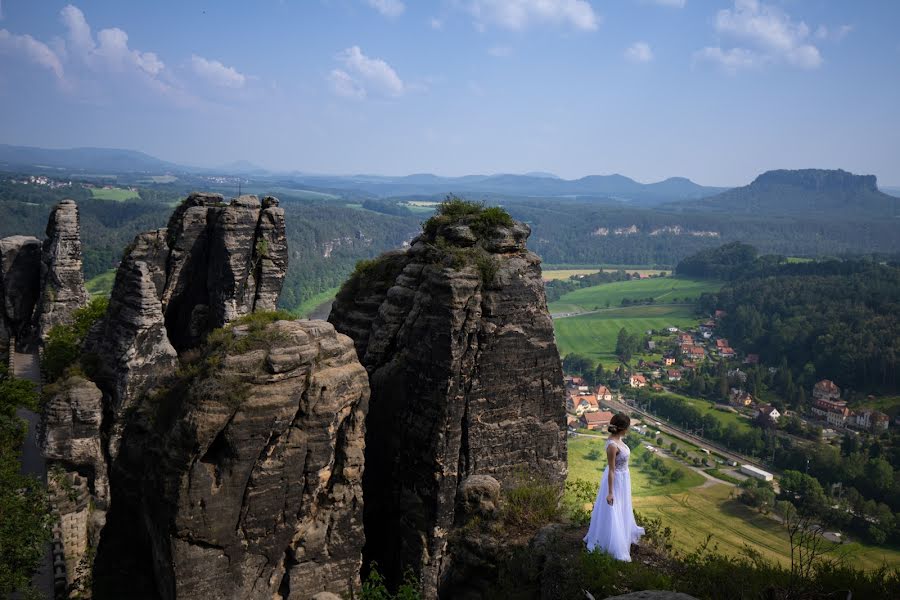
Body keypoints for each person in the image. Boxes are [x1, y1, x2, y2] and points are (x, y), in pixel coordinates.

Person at [583, 412, 645, 561]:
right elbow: (611, 469)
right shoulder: (612, 445)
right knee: (613, 510)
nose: (629, 429)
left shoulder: (619, 440)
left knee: (622, 508)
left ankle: (622, 536)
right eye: (628, 427)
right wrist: (610, 492)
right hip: (616, 480)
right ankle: (612, 544)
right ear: (623, 428)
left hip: (624, 479)